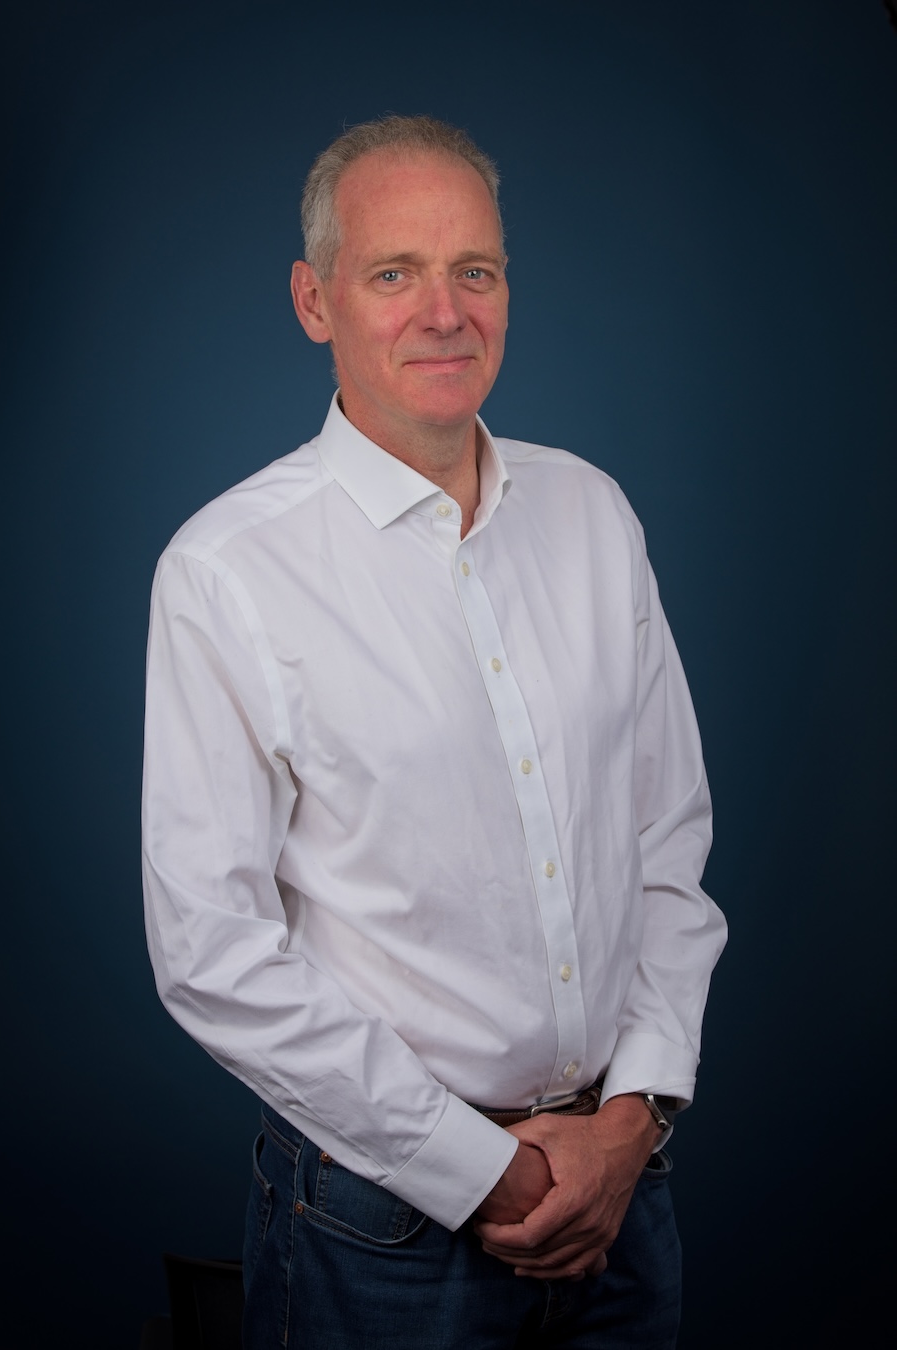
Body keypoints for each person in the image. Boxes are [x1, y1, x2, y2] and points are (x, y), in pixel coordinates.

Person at [142, 114, 727, 1349]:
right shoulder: (227, 570)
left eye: (476, 270)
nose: (445, 312)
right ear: (315, 301)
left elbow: (667, 844)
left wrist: (632, 1122)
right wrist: (485, 1173)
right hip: (383, 1231)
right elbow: (212, 952)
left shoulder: (593, 513)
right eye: (394, 273)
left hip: (627, 1192)